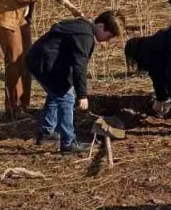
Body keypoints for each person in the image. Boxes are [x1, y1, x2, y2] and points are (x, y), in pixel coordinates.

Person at [27, 10, 126, 153]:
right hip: (45, 63)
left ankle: (47, 132)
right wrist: (82, 95)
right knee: (66, 97)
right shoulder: (85, 36)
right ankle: (68, 142)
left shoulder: (83, 28)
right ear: (100, 26)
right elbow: (79, 67)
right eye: (108, 36)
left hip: (41, 60)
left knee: (56, 94)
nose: (107, 41)